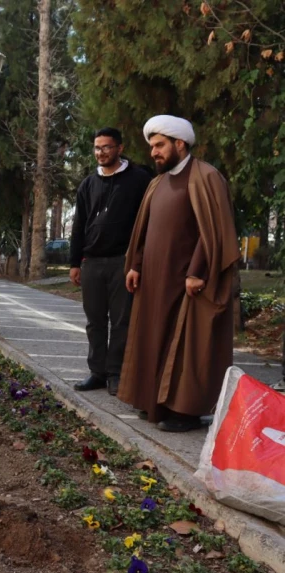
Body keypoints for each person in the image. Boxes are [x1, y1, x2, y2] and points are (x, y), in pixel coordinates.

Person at [117, 115, 240, 432]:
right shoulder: (157, 183)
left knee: (186, 346)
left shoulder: (206, 177)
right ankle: (153, 402)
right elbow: (145, 231)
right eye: (152, 147)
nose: (154, 152)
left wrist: (197, 271)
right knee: (154, 338)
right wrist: (136, 265)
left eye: (159, 145)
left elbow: (212, 231)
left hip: (189, 283)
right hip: (155, 279)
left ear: (179, 144)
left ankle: (184, 412)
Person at [69, 128, 152, 396]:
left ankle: (116, 373)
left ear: (119, 147)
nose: (100, 153)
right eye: (96, 148)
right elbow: (79, 225)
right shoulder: (88, 184)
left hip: (122, 261)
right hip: (92, 261)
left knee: (121, 321)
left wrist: (139, 261)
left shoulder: (139, 179)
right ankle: (97, 372)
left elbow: (148, 220)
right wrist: (74, 262)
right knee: (94, 320)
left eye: (106, 147)